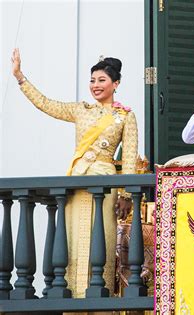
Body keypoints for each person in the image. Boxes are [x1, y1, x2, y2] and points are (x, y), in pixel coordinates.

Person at [11, 48, 138, 301]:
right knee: (71, 242)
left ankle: (98, 301)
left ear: (116, 84)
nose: (95, 85)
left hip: (106, 183)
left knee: (100, 241)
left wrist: (126, 193)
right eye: (92, 80)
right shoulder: (81, 109)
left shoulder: (125, 116)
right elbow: (46, 104)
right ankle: (73, 302)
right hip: (77, 182)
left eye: (102, 80)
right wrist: (20, 77)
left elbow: (131, 155)